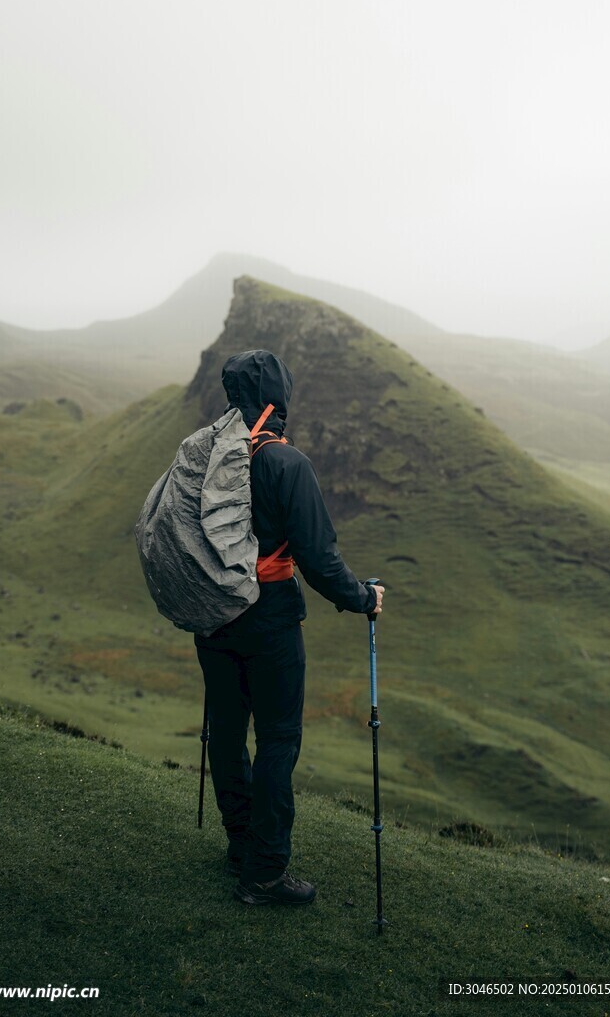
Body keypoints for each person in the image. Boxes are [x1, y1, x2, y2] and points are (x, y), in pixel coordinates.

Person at [194, 349, 384, 906]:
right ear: (279, 398)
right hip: (270, 614)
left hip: (214, 610)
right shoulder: (286, 464)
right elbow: (319, 559)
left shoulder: (208, 453)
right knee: (277, 737)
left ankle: (239, 846)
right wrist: (363, 599)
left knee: (227, 730)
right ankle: (266, 870)